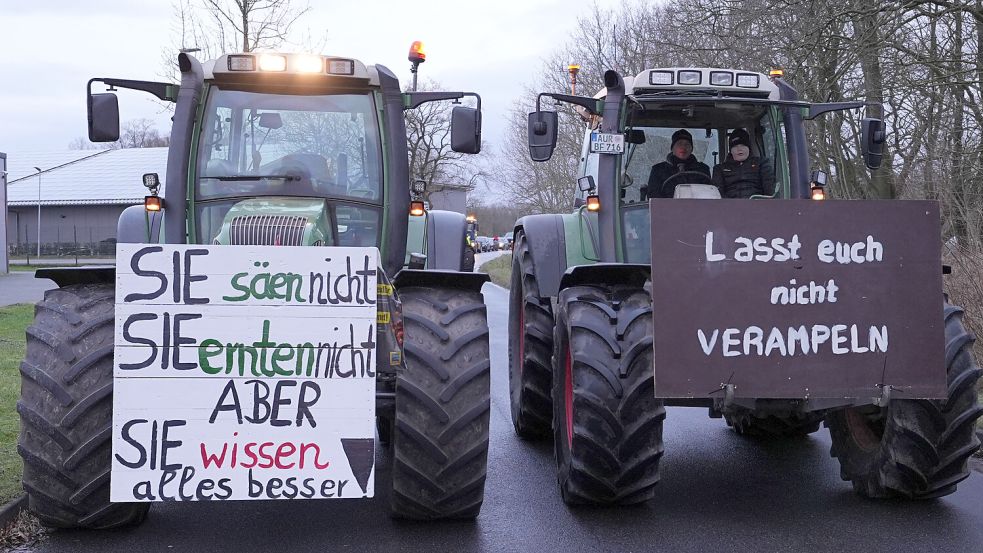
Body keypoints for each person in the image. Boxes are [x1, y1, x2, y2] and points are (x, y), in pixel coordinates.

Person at [646, 129, 711, 199]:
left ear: (691, 149)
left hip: (699, 208)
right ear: (672, 148)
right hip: (667, 209)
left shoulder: (703, 169)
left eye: (687, 144)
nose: (683, 147)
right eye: (679, 143)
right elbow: (654, 198)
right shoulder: (658, 170)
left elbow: (710, 195)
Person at [712, 129, 774, 198]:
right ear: (731, 150)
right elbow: (717, 195)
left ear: (748, 148)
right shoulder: (719, 169)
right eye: (735, 146)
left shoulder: (762, 164)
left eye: (743, 145)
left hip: (757, 206)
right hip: (728, 207)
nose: (739, 149)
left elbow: (769, 192)